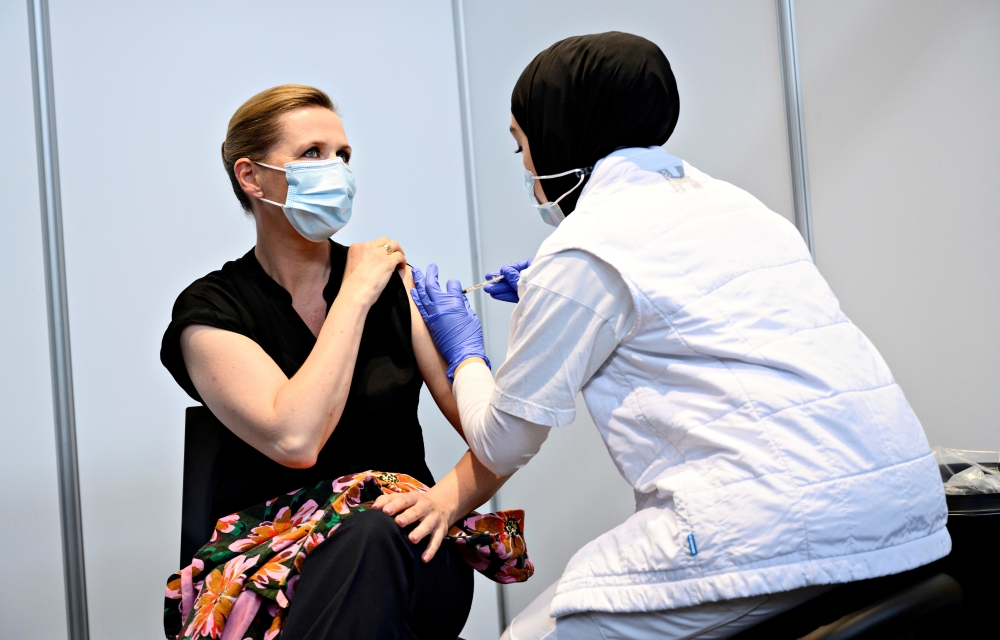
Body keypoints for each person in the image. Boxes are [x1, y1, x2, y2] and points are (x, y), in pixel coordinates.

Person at [400, 32, 950, 639]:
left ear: (561, 131)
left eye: (522, 146)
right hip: (901, 509)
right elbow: (689, 308)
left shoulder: (582, 250)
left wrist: (464, 351)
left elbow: (502, 442)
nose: (528, 169)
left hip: (784, 530)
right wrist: (548, 292)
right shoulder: (737, 207)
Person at [159, 84, 507, 640]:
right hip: (269, 569)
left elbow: (501, 436)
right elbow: (295, 439)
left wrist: (447, 500)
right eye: (312, 154)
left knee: (372, 536)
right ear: (251, 177)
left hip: (408, 551)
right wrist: (354, 295)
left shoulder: (394, 288)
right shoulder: (211, 311)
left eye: (343, 156)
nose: (337, 170)